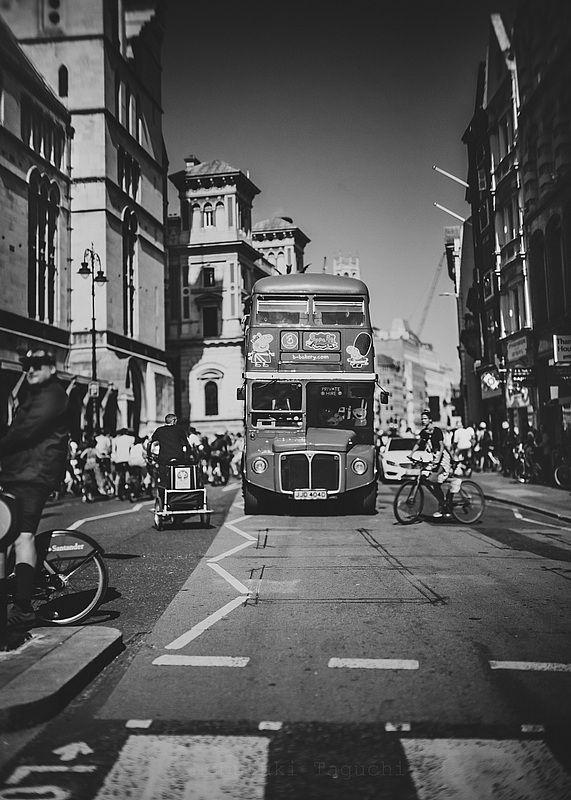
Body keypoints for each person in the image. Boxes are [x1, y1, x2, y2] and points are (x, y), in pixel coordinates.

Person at [0, 349, 69, 627]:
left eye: (38, 365)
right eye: (27, 366)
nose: (31, 370)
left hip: (31, 476)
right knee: (5, 537)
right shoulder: (35, 394)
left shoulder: (52, 395)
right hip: (18, 473)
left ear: (51, 368)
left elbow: (24, 431)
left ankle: (23, 607)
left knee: (21, 537)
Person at [411, 408, 452, 519]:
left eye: (425, 419)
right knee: (430, 480)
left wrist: (438, 458)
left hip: (442, 457)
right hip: (433, 458)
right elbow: (419, 443)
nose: (423, 420)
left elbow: (442, 445)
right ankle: (443, 505)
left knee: (433, 479)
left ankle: (444, 506)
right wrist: (411, 454)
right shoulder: (424, 432)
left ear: (430, 420)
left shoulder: (436, 431)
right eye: (422, 419)